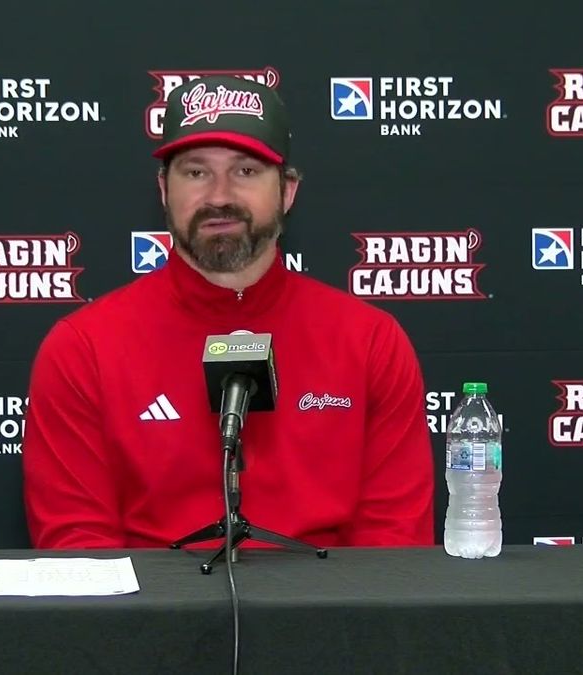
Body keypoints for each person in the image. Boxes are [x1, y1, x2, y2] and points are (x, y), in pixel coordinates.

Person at [22, 75, 435, 549]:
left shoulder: (369, 341)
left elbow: (395, 550)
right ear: (163, 190)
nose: (219, 195)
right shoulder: (84, 347)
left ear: (288, 190)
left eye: (246, 171)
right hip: (150, 619)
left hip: (328, 617)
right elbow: (79, 552)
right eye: (196, 172)